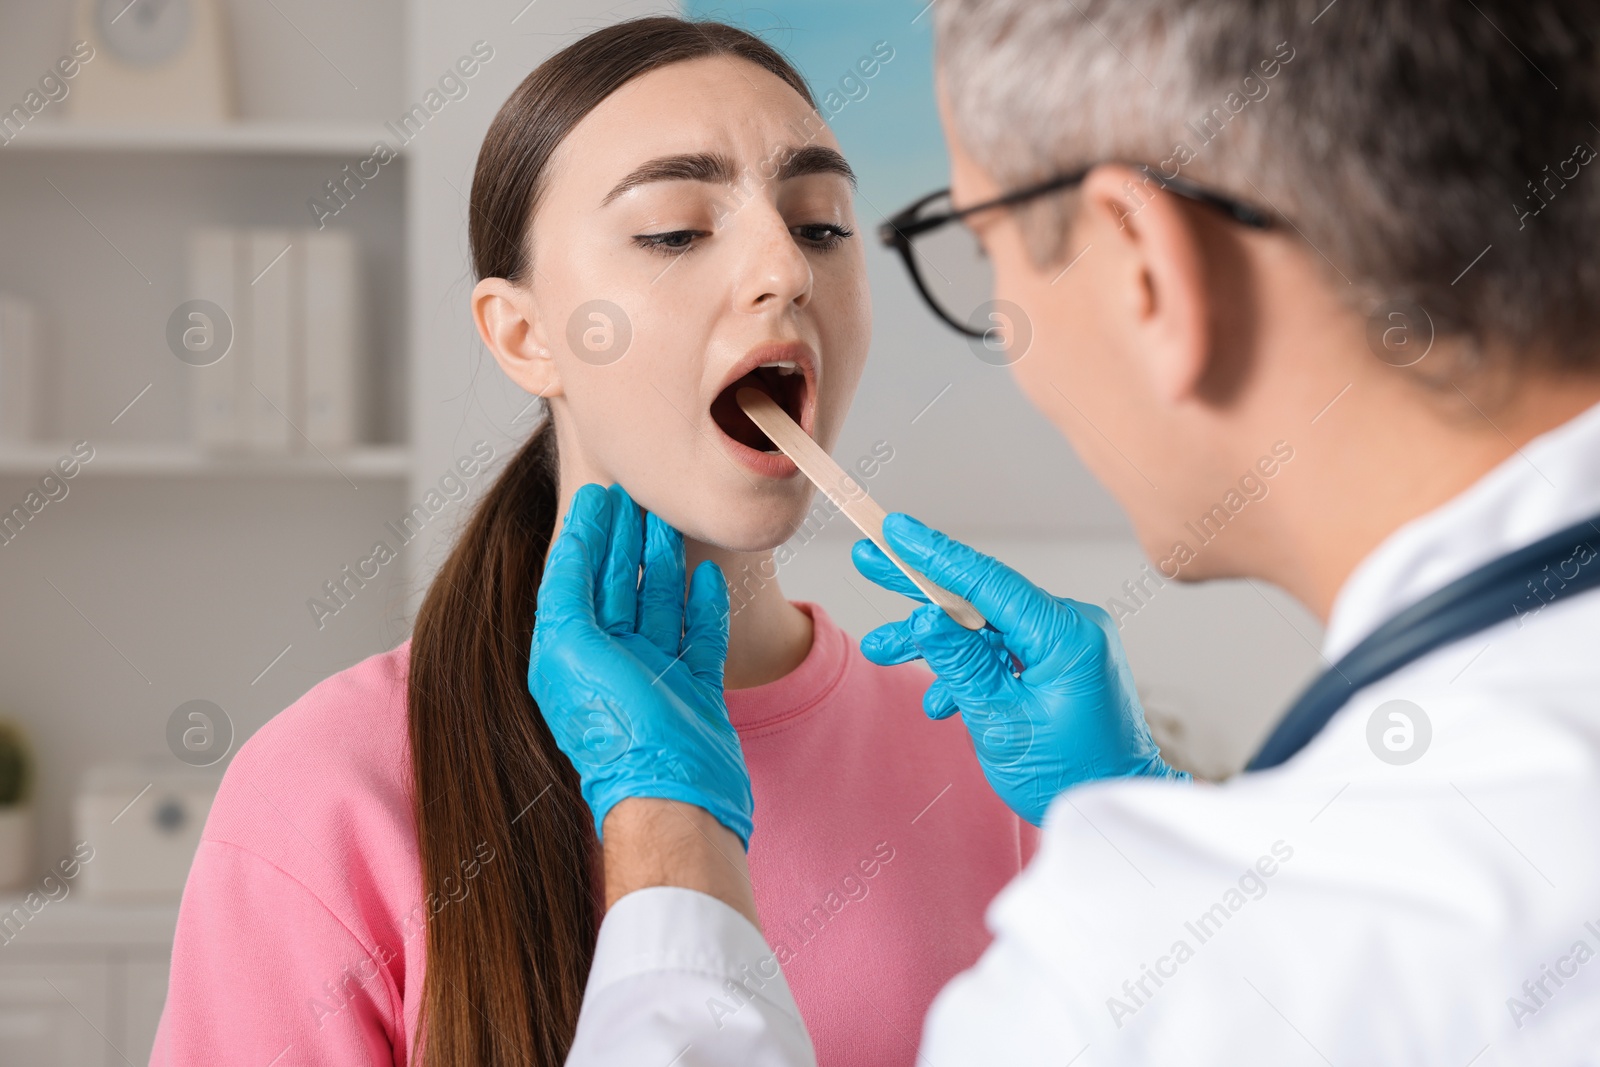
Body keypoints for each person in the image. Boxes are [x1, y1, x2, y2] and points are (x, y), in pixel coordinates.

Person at [529, 1, 1600, 1063]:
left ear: (1149, 268)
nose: (788, 274)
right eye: (673, 231)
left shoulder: (1151, 989)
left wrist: (667, 831)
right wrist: (1127, 813)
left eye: (977, 248)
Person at [151, 18, 1039, 1067]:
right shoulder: (326, 792)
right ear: (524, 335)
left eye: (820, 225)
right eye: (673, 231)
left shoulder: (992, 757)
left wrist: (1140, 820)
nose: (783, 270)